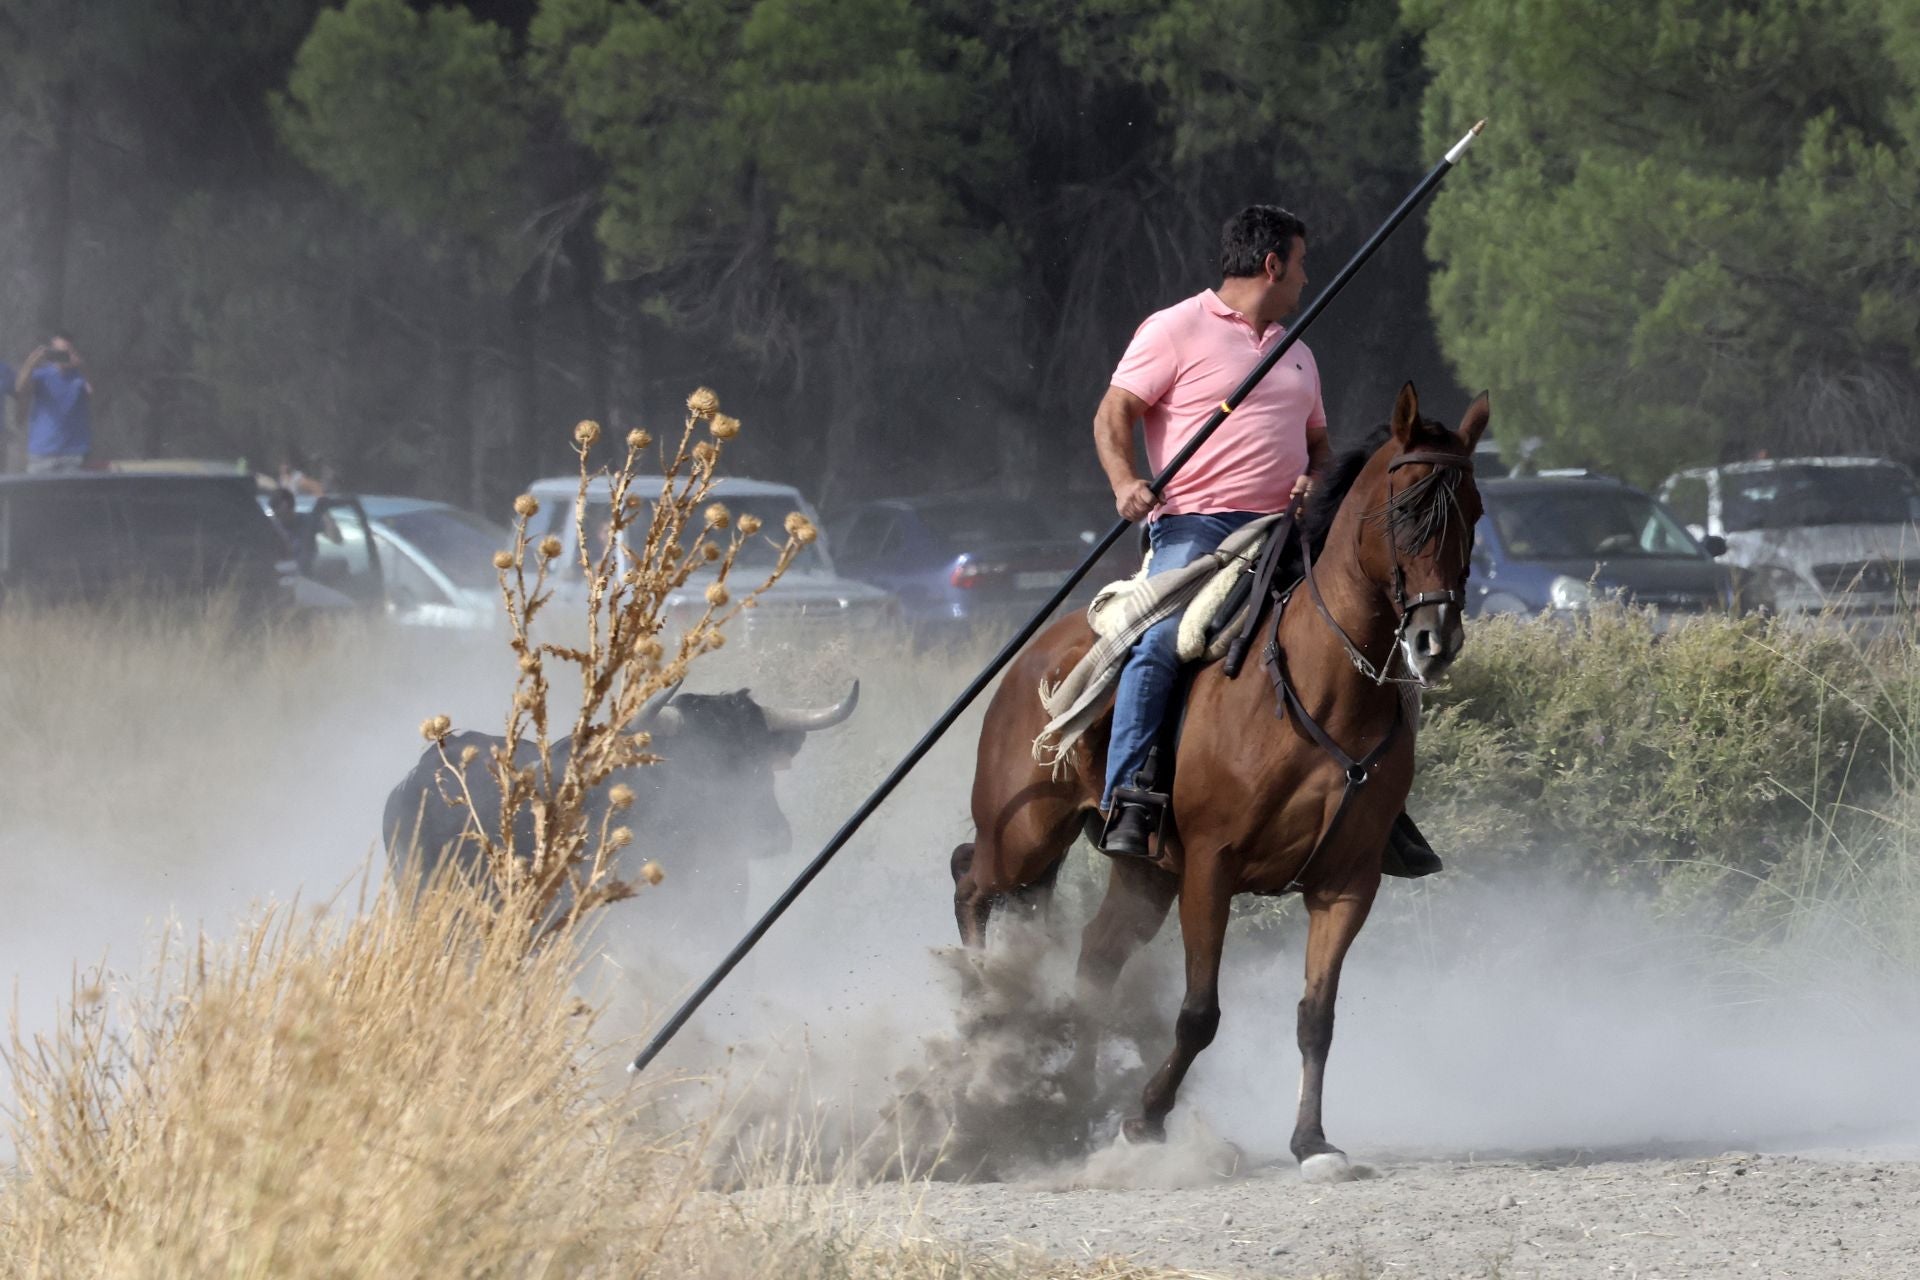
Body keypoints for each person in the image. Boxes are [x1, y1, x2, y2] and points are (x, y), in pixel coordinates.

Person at [1093, 205, 1331, 858]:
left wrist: (1316, 480)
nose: (1306, 279)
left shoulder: (1298, 352)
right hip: (1198, 527)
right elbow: (1114, 413)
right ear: (1272, 264)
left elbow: (1320, 447)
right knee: (1161, 640)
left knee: (1359, 623)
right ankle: (1128, 796)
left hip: (1287, 531)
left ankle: (1377, 808)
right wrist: (1125, 482)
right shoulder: (1173, 328)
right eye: (1301, 264)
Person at [14, 333, 92, 474]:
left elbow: (92, 392)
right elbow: (20, 389)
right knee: (37, 489)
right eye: (58, 351)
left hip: (73, 454)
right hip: (41, 454)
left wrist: (81, 366)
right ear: (51, 352)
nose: (62, 355)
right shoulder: (41, 374)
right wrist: (30, 363)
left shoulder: (80, 375)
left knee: (75, 489)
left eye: (66, 351)